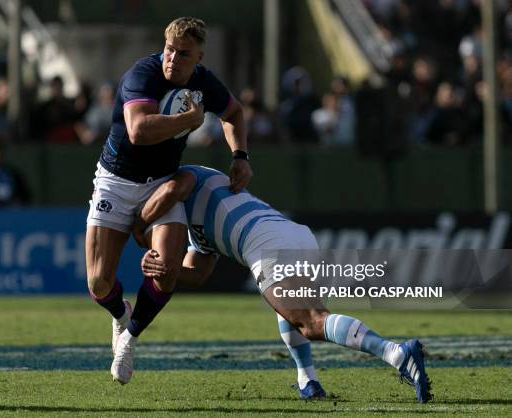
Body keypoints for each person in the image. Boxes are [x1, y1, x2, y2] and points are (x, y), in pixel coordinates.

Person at [131, 165, 431, 403]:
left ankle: (397, 354)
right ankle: (308, 380)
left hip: (268, 242)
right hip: (294, 235)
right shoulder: (195, 231)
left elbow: (173, 188)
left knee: (311, 322)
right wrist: (166, 270)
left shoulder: (184, 176)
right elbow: (197, 273)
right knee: (289, 314)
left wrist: (138, 222)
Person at [84, 17, 252, 385]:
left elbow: (234, 112)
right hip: (116, 180)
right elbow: (139, 131)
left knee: (168, 270)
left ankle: (129, 339)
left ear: (199, 57)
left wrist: (240, 155)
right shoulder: (142, 75)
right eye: (169, 49)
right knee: (98, 281)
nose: (173, 58)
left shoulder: (204, 82)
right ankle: (120, 314)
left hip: (161, 182)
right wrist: (188, 120)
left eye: (183, 53)